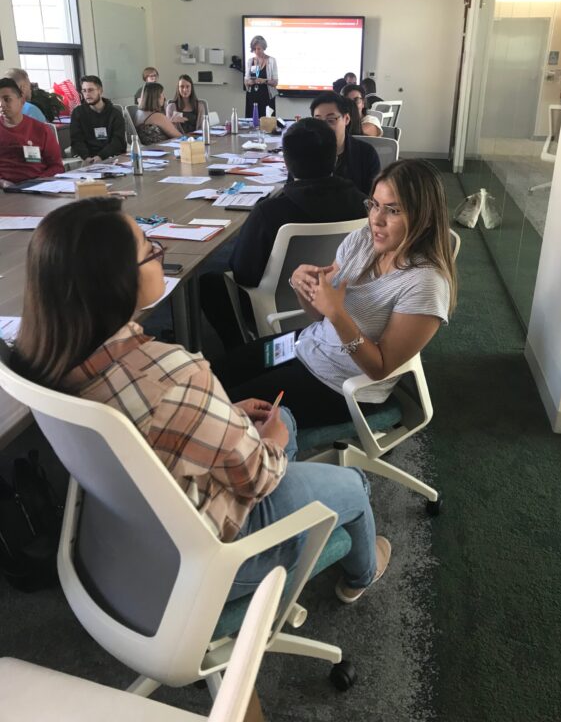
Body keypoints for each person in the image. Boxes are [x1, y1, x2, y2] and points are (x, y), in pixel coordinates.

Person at [11, 197, 390, 604]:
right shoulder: (176, 373)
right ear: (117, 281)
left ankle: (288, 513)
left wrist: (221, 415)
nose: (161, 253)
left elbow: (159, 422)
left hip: (130, 531)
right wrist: (271, 443)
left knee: (286, 420)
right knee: (351, 483)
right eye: (149, 249)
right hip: (207, 557)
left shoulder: (38, 359)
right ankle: (361, 572)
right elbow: (257, 473)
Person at [214, 159, 457, 433]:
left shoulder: (426, 284)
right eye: (374, 204)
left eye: (393, 210)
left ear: (424, 218)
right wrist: (303, 287)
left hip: (340, 387)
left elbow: (379, 368)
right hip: (305, 345)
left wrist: (337, 314)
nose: (376, 219)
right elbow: (318, 315)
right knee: (209, 377)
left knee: (219, 412)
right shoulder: (361, 240)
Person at [200, 118, 368, 347]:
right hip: (346, 305)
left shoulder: (269, 212)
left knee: (210, 282)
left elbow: (243, 273)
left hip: (276, 312)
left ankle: (242, 351)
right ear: (337, 156)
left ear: (286, 162)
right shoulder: (364, 204)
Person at [308, 91, 380, 195]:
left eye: (331, 120)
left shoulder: (366, 153)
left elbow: (373, 199)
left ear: (346, 119)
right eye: (318, 121)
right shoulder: (306, 151)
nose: (323, 127)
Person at [0, 77, 63, 186]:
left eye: (7, 99)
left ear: (22, 101)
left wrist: (38, 181)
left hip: (38, 187)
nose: (1, 105)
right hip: (4, 190)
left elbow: (57, 166)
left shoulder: (41, 129)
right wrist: (2, 183)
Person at [69, 75, 126, 164]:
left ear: (100, 90)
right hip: (88, 158)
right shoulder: (78, 113)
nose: (87, 94)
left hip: (111, 156)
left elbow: (118, 141)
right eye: (84, 91)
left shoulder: (115, 113)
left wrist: (101, 156)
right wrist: (86, 157)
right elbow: (77, 140)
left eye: (91, 90)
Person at [244, 36, 278, 118]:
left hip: (266, 97)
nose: (256, 51)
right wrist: (249, 82)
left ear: (263, 48)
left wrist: (264, 81)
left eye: (258, 49)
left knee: (267, 122)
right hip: (252, 97)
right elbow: (246, 80)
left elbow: (275, 82)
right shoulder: (250, 61)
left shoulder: (271, 61)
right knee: (252, 122)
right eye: (254, 49)